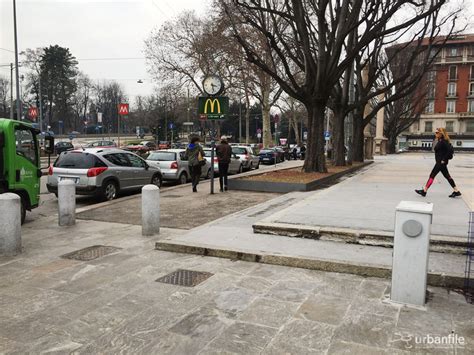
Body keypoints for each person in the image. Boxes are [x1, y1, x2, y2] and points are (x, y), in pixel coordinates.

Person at [415, 127, 461, 198]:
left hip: (440, 163)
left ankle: (424, 191)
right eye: (435, 132)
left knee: (432, 175)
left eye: (437, 132)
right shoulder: (440, 140)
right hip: (441, 163)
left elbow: (449, 151)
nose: (435, 134)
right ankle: (456, 191)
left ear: (441, 133)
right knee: (448, 176)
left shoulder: (444, 141)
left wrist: (444, 159)